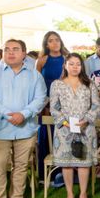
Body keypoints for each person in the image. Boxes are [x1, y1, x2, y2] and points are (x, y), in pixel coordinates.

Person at [0, 39, 47, 198]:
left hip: (25, 128)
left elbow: (40, 98)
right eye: (7, 49)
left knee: (21, 165)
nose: (11, 52)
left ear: (24, 53)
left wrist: (23, 114)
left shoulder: (34, 75)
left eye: (15, 49)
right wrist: (8, 114)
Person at [50, 53, 100, 198]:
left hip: (85, 128)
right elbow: (53, 107)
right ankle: (70, 194)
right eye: (71, 64)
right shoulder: (57, 84)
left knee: (83, 163)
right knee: (67, 163)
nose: (74, 67)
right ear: (65, 65)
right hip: (64, 130)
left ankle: (83, 194)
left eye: (78, 64)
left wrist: (86, 120)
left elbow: (96, 105)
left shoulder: (89, 84)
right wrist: (65, 123)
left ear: (82, 66)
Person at [36, 31, 68, 180]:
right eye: (51, 41)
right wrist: (44, 103)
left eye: (57, 40)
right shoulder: (42, 60)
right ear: (46, 44)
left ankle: (64, 172)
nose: (55, 43)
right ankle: (45, 174)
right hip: (46, 104)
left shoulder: (68, 59)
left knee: (64, 135)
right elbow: (36, 84)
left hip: (65, 103)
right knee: (46, 136)